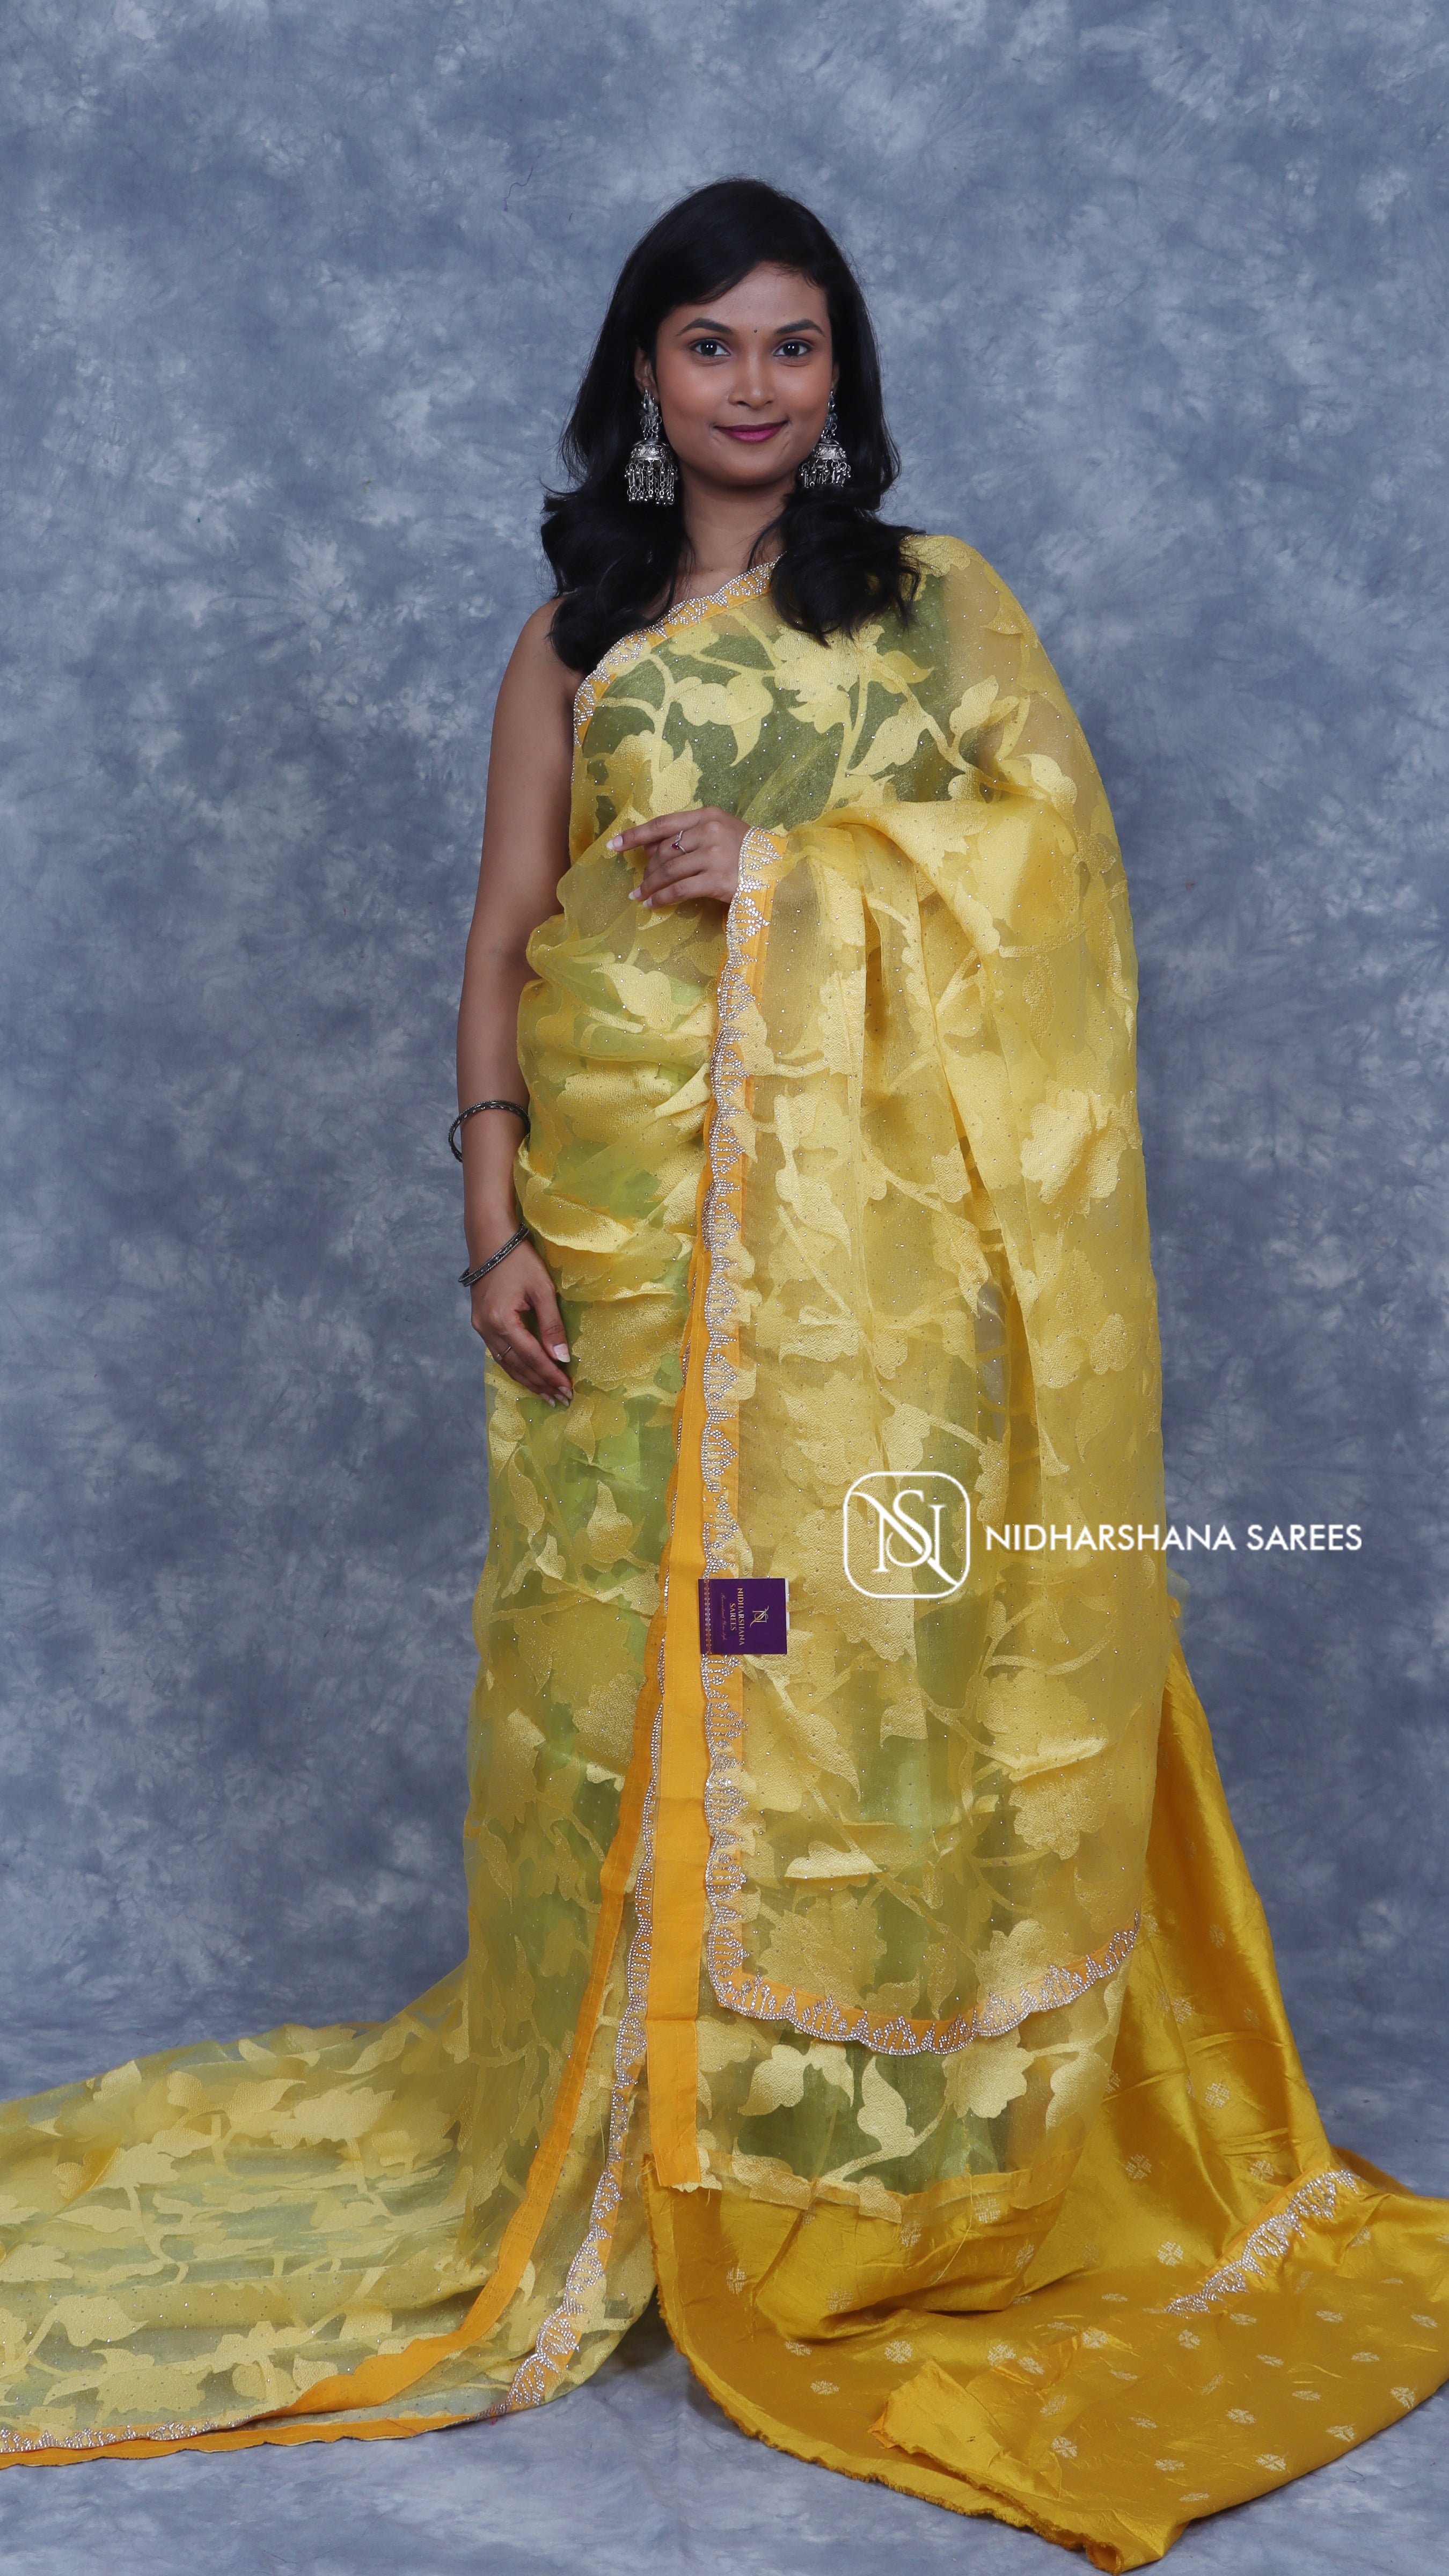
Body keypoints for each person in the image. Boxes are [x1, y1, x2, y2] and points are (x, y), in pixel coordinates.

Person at [0, 177, 1442, 2570]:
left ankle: (830, 2167)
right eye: (708, 346)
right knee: (624, 1672)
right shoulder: (573, 636)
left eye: (793, 345)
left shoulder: (932, 608)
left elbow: (1054, 882)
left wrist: (799, 876)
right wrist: (491, 1216)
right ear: (642, 378)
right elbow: (503, 932)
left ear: (839, 376)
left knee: (839, 1663)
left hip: (861, 1292)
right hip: (624, 1245)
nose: (753, 387)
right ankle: (614, 2146)